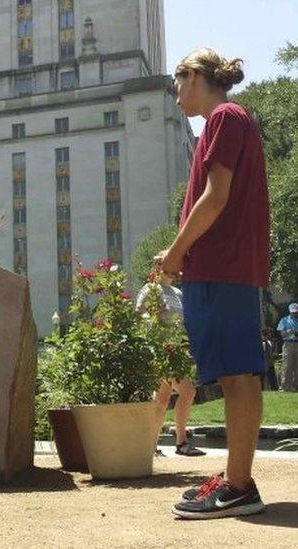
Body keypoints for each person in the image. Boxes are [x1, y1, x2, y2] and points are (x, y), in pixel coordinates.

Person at [159, 49, 268, 519]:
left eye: (178, 80)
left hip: (222, 267)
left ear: (196, 76)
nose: (176, 91)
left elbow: (215, 195)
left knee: (237, 375)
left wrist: (177, 251)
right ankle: (235, 481)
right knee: (232, 373)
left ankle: (239, 486)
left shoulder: (225, 116)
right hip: (220, 268)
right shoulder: (221, 124)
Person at [136, 272, 205, 457]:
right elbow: (138, 313)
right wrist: (153, 318)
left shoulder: (177, 292)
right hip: (161, 349)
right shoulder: (150, 289)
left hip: (177, 349)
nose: (177, 269)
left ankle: (150, 445)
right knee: (188, 391)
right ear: (160, 266)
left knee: (162, 399)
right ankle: (181, 442)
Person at [276, 303, 298, 391]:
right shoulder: (284, 320)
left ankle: (295, 387)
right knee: (287, 366)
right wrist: (291, 332)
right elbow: (282, 334)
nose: (295, 314)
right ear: (290, 311)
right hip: (288, 344)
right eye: (293, 312)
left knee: (297, 367)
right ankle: (285, 387)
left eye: (296, 312)